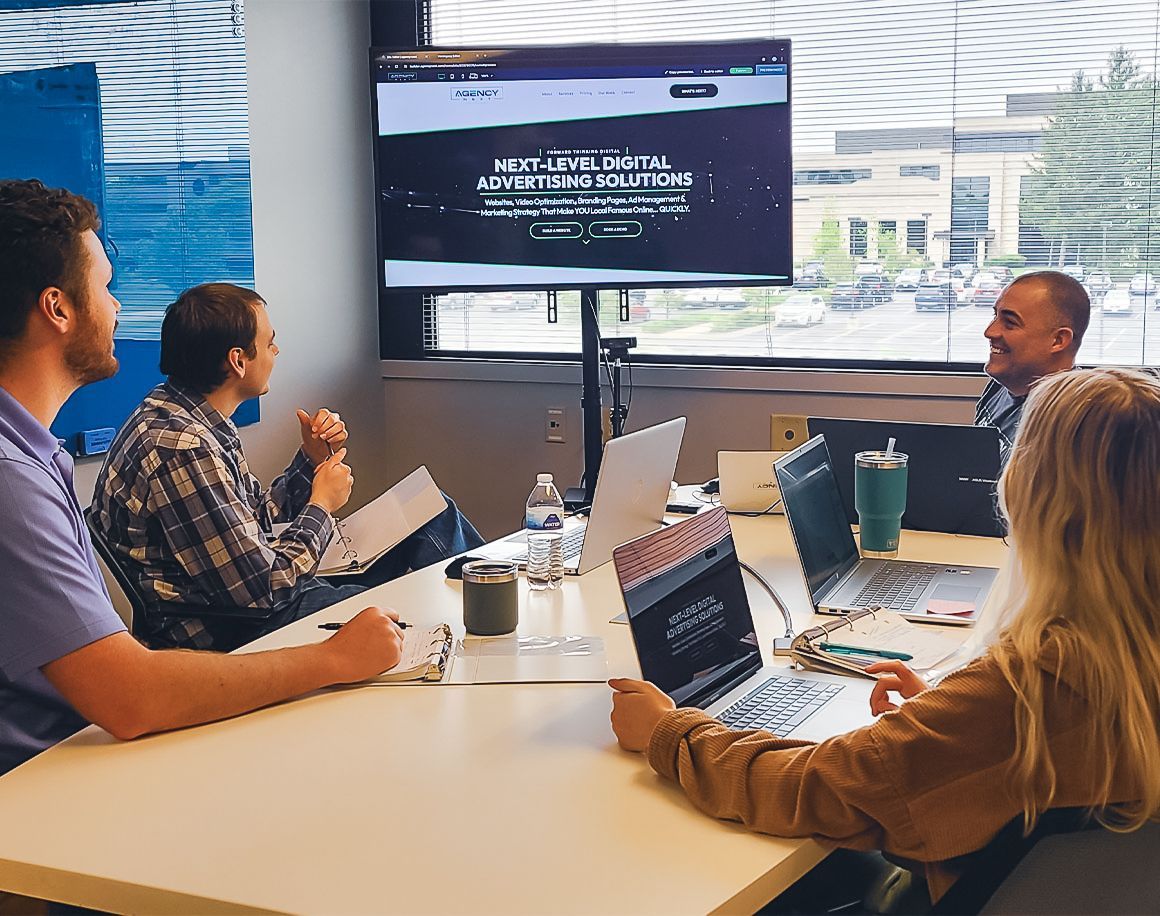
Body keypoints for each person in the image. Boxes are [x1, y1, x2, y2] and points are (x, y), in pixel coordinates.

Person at [610, 366, 1158, 906]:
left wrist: (668, 731)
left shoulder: (1022, 687)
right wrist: (943, 719)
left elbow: (811, 787)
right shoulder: (1119, 659)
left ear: (1034, 499)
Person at [0, 178, 406, 777]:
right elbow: (129, 696)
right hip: (52, 782)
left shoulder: (39, 456)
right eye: (106, 287)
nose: (116, 307)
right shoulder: (15, 480)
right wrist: (329, 660)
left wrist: (306, 471)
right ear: (58, 308)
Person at [91, 282, 483, 652]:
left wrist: (309, 460)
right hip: (230, 626)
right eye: (270, 342)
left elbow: (254, 519)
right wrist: (321, 506)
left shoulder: (190, 415)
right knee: (396, 614)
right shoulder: (182, 448)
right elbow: (264, 589)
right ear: (238, 361)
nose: (276, 351)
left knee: (437, 515)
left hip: (250, 591)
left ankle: (490, 619)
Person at [975, 270, 1090, 467]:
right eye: (995, 316)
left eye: (1010, 323)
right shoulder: (1001, 385)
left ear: (1058, 340)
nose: (990, 331)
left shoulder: (1075, 423)